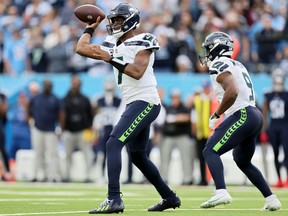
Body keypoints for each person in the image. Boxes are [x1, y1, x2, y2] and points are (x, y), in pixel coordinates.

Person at [75, 2, 181, 214]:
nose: (113, 24)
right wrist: (90, 27)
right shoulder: (111, 43)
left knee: (113, 143)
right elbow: (81, 48)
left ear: (131, 21)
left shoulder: (145, 39)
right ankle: (169, 197)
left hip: (146, 101)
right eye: (112, 21)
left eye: (118, 20)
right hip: (135, 102)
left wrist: (111, 58)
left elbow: (137, 71)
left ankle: (114, 198)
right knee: (138, 156)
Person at [198, 31, 281, 211]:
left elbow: (232, 91)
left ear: (217, 47)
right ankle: (271, 198)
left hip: (242, 114)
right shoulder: (238, 64)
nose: (207, 53)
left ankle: (221, 191)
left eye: (209, 48)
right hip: (254, 114)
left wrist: (217, 114)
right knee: (242, 160)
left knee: (210, 150)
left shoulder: (219, 64)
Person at [28, 79, 63, 182]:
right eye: (45, 85)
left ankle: (54, 176)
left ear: (51, 86)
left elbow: (61, 113)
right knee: (38, 153)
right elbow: (28, 107)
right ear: (43, 86)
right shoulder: (36, 98)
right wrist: (29, 120)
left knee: (53, 154)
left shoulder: (55, 98)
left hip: (51, 130)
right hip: (38, 129)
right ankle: (38, 175)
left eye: (49, 85)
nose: (47, 87)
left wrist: (60, 127)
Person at [61, 75, 94, 183]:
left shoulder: (85, 99)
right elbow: (61, 115)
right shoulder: (65, 99)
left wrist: (90, 128)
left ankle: (89, 175)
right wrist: (62, 129)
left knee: (87, 154)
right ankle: (66, 175)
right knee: (67, 155)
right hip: (69, 131)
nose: (75, 85)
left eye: (77, 83)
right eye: (74, 83)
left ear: (80, 84)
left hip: (83, 131)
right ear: (71, 83)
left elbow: (90, 114)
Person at [160, 89, 194, 185]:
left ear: (179, 98)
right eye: (172, 98)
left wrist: (176, 118)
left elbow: (187, 117)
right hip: (168, 136)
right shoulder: (168, 107)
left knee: (186, 158)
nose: (174, 100)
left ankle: (187, 179)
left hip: (181, 135)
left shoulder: (184, 107)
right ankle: (163, 178)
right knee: (165, 158)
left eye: (175, 98)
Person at [262, 68, 288, 188]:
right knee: (276, 153)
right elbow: (265, 112)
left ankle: (287, 178)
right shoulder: (269, 95)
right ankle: (279, 179)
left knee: (287, 153)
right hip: (273, 127)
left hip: (285, 126)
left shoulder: (286, 95)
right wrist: (263, 129)